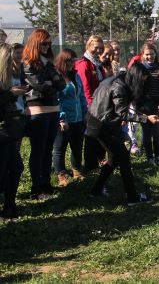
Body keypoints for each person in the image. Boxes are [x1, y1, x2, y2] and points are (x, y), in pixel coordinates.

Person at [87, 62, 158, 205]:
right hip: (101, 125)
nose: (143, 84)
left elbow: (118, 109)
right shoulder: (119, 86)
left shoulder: (122, 80)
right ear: (136, 78)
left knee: (115, 158)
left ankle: (96, 190)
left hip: (103, 122)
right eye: (142, 81)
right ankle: (132, 197)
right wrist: (145, 118)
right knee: (124, 157)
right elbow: (122, 113)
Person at [23, 29, 66, 200]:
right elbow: (41, 86)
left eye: (49, 43)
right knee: (38, 150)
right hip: (37, 111)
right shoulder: (28, 63)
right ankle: (36, 187)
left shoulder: (49, 63)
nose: (47, 47)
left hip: (53, 110)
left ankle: (46, 183)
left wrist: (52, 82)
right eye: (44, 43)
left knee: (48, 149)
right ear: (35, 43)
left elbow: (61, 84)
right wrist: (52, 82)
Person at [53, 48, 88, 186]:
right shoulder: (57, 77)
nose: (72, 64)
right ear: (62, 61)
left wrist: (85, 113)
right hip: (65, 120)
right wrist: (61, 118)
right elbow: (56, 99)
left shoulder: (76, 76)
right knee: (60, 148)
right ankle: (61, 174)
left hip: (78, 119)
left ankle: (77, 169)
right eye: (69, 61)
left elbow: (81, 96)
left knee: (77, 146)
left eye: (73, 61)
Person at [0, 43, 27, 219]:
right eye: (10, 61)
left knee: (16, 167)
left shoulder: (7, 79)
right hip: (2, 131)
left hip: (8, 130)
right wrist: (11, 94)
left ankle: (10, 206)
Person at [75, 35, 107, 172]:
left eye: (101, 48)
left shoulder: (97, 64)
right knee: (91, 136)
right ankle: (90, 164)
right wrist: (90, 107)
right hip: (92, 106)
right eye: (96, 47)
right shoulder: (84, 64)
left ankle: (100, 158)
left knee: (100, 133)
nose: (99, 50)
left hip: (101, 104)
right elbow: (85, 88)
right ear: (88, 46)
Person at [139, 42, 159, 165]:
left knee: (157, 132)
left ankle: (158, 155)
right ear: (142, 55)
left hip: (157, 105)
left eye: (151, 54)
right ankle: (149, 157)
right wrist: (139, 107)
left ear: (155, 54)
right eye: (147, 54)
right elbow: (136, 89)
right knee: (146, 133)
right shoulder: (140, 68)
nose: (149, 57)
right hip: (144, 106)